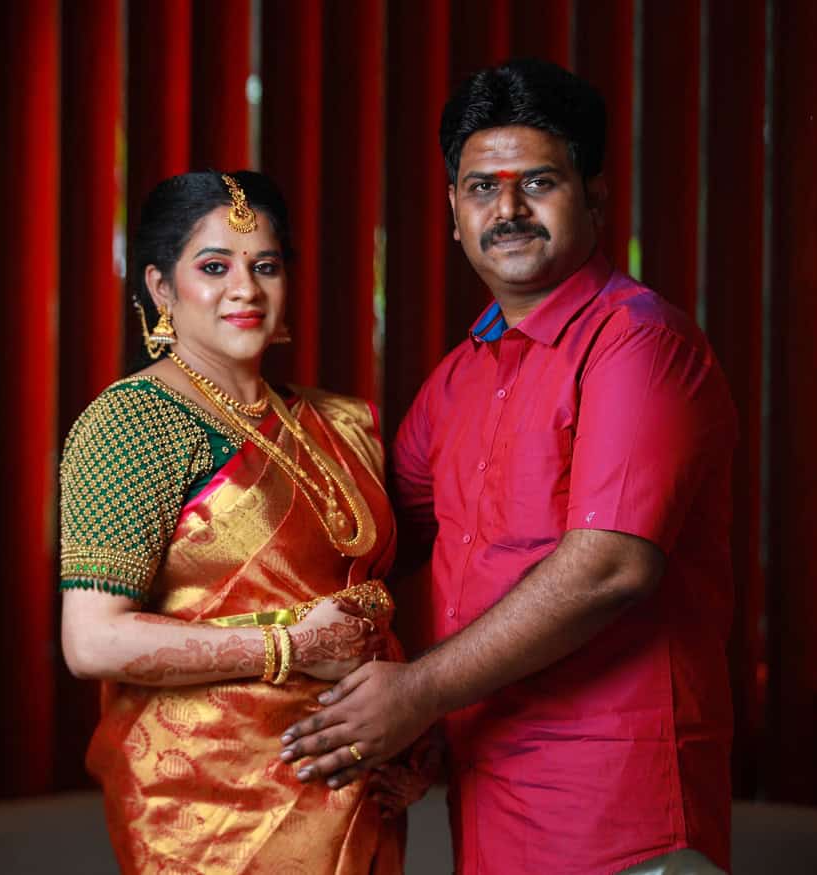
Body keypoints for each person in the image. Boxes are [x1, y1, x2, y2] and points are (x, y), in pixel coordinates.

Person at [279, 59, 738, 874]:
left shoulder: (636, 343)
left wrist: (414, 694)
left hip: (617, 811)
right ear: (454, 215)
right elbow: (373, 541)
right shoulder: (458, 379)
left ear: (592, 197)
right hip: (487, 796)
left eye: (537, 182)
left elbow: (609, 568)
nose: (507, 210)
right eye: (480, 188)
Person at [59, 170, 418, 874]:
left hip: (354, 790)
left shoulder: (337, 421)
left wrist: (409, 729)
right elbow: (92, 640)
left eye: (265, 266)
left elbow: (365, 602)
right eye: (214, 266)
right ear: (162, 289)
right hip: (207, 815)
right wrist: (288, 647)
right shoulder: (137, 422)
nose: (245, 289)